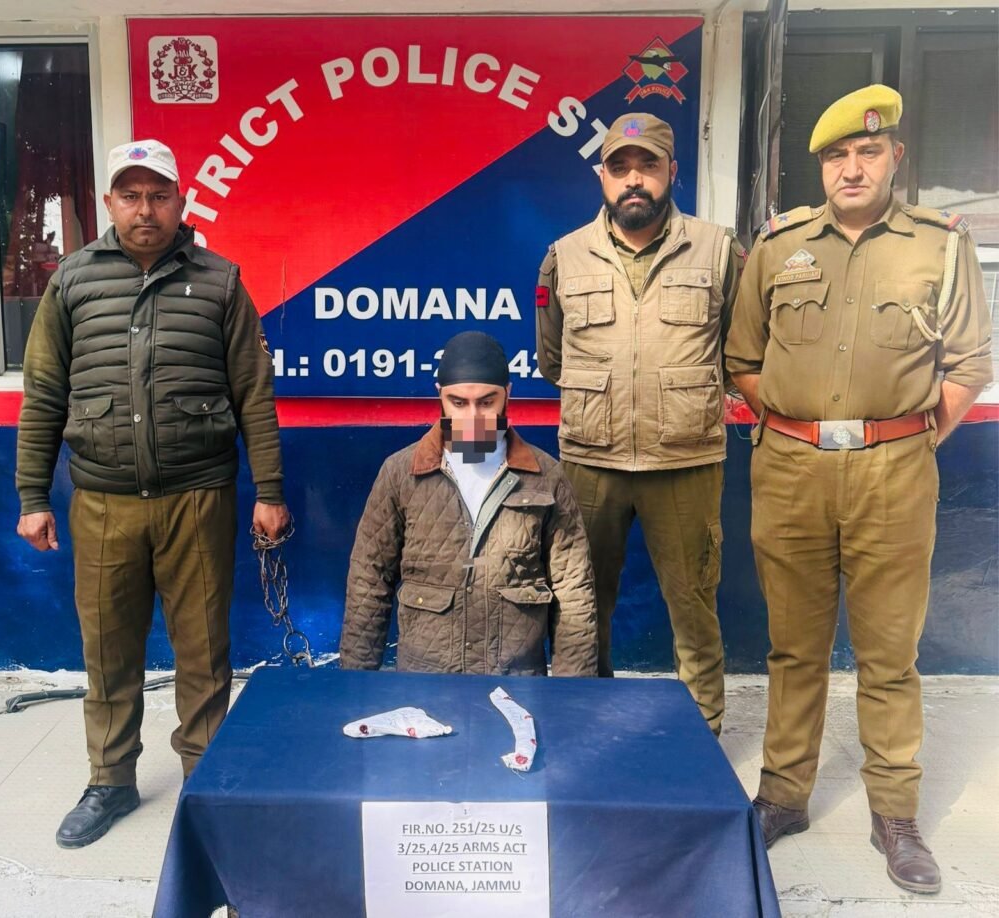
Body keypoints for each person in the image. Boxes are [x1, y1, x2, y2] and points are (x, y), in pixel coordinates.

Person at [725, 85, 993, 893]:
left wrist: (905, 440)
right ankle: (783, 794)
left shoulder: (940, 246)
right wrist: (801, 428)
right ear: (821, 167)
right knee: (793, 647)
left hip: (894, 473)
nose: (852, 168)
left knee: (889, 654)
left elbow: (968, 364)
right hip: (791, 470)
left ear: (894, 158)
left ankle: (895, 813)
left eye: (868, 152)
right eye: (837, 155)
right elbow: (742, 359)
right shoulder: (778, 245)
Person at [16, 139, 290, 848]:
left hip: (199, 499)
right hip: (103, 503)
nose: (146, 210)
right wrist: (32, 496)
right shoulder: (72, 281)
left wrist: (270, 490)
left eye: (159, 195)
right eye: (131, 196)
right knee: (108, 650)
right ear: (109, 202)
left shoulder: (220, 282)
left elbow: (253, 394)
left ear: (181, 201)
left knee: (204, 650)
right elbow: (42, 393)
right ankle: (110, 780)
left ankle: (205, 780)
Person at [535, 112, 745, 732]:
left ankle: (701, 743)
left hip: (686, 462)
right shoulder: (564, 256)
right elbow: (553, 359)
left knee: (694, 609)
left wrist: (681, 402)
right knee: (580, 607)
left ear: (671, 172)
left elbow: (739, 354)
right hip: (591, 464)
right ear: (602, 177)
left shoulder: (718, 250)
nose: (634, 180)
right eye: (620, 167)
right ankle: (587, 729)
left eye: (647, 165)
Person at [340, 331, 597, 676]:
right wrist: (355, 687)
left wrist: (573, 695)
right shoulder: (400, 473)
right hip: (424, 682)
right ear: (440, 396)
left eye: (486, 402)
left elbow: (574, 592)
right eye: (458, 403)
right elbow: (369, 582)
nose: (473, 416)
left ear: (507, 394)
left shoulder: (546, 476)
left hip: (517, 682)